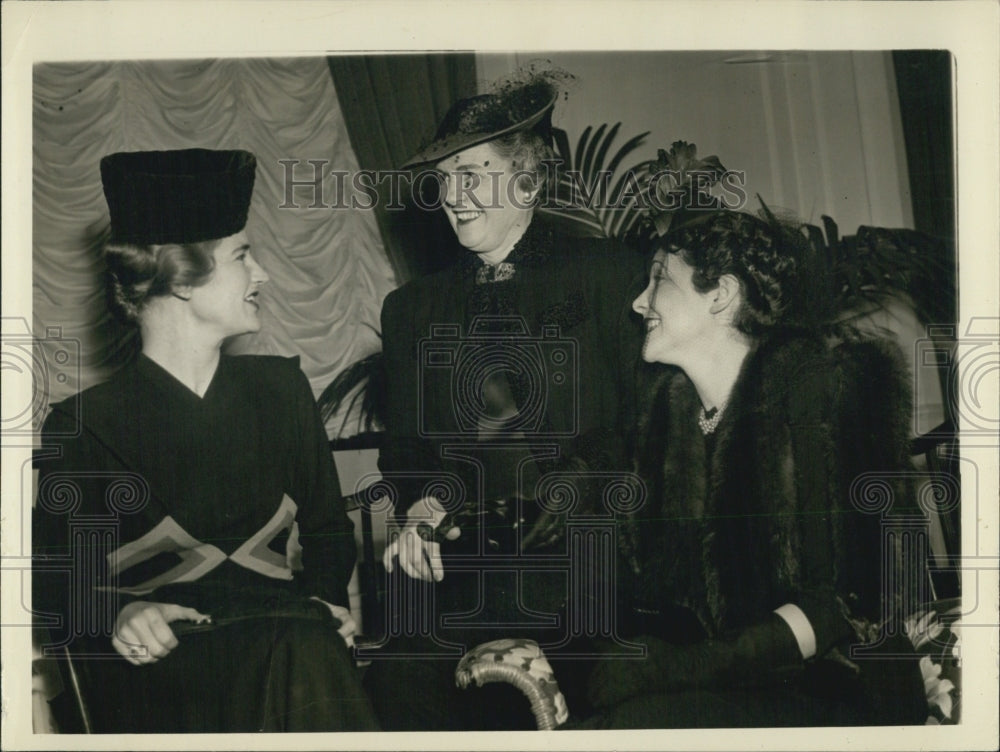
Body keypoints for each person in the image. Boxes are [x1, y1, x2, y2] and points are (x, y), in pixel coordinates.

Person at [32, 148, 378, 732]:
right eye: (243, 255)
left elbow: (327, 532)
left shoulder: (281, 389)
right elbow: (52, 577)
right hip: (166, 672)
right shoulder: (85, 425)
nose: (261, 273)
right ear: (183, 278)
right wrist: (121, 611)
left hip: (289, 635)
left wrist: (327, 599)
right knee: (304, 651)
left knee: (310, 646)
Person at [363, 71, 646, 730]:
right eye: (442, 177)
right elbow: (404, 448)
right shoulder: (410, 310)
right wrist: (423, 502)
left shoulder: (609, 276)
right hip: (456, 566)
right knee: (397, 684)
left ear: (526, 175)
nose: (451, 196)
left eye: (471, 173)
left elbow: (641, 429)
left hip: (586, 562)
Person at [578, 209, 929, 727]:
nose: (638, 302)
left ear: (720, 294)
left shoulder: (821, 392)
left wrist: (684, 667)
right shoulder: (670, 417)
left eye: (658, 279)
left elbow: (839, 608)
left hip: (838, 688)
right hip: (729, 687)